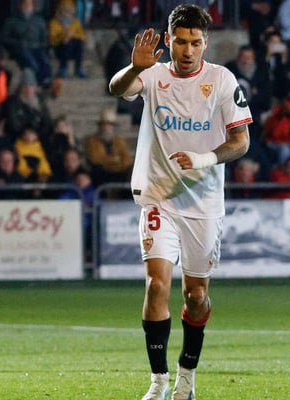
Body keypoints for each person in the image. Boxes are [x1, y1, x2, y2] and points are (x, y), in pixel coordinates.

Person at [108, 4, 252, 400]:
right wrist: (134, 67)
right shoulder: (153, 75)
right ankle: (158, 382)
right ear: (169, 40)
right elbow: (117, 89)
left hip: (203, 204)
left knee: (195, 296)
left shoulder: (221, 80)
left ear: (206, 43)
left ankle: (186, 375)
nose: (188, 50)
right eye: (181, 42)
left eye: (196, 43)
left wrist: (204, 159)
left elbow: (241, 142)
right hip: (159, 198)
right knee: (156, 285)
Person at [85, 107, 134, 187]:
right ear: (100, 126)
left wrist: (113, 164)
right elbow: (95, 159)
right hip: (101, 173)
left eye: (109, 125)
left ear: (113, 126)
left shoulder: (119, 141)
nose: (106, 127)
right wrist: (114, 160)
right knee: (97, 169)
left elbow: (127, 159)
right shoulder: (91, 140)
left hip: (119, 173)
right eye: (104, 124)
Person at [48, 0, 87, 78]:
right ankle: (63, 68)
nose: (67, 13)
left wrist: (72, 35)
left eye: (69, 11)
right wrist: (63, 37)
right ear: (60, 11)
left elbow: (83, 36)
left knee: (77, 42)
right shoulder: (54, 22)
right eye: (65, 11)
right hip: (59, 48)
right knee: (68, 42)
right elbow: (52, 38)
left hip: (73, 48)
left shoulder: (76, 22)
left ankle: (78, 68)